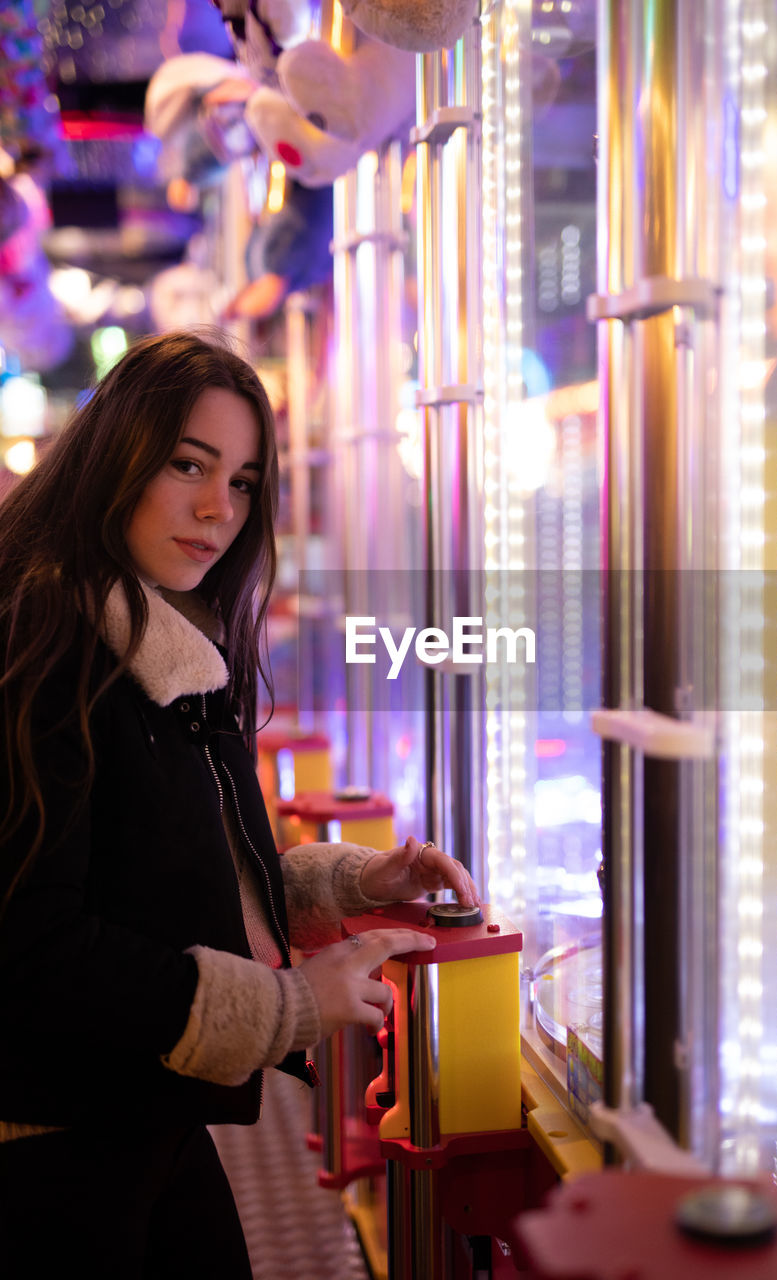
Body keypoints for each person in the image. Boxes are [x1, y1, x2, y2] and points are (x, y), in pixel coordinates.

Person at [0, 330, 480, 1278]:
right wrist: (290, 1005)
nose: (219, 509)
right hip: (50, 1142)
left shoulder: (157, 639)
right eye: (189, 465)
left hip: (135, 1111)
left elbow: (155, 876)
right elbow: (33, 949)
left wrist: (353, 879)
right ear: (116, 459)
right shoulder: (45, 649)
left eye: (246, 481)